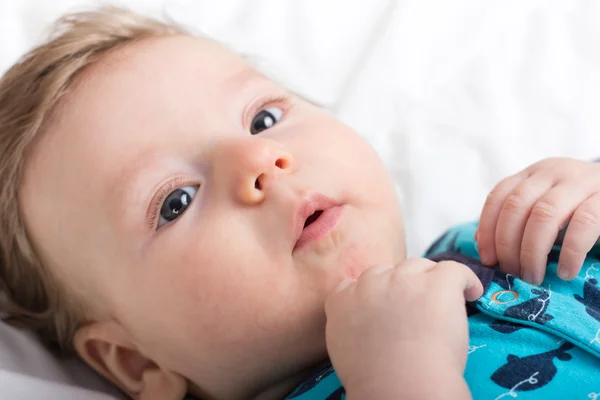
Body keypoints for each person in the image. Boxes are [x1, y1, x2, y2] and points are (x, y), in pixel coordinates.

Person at [1, 6, 599, 400]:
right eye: (175, 201)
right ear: (137, 364)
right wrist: (402, 372)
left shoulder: (502, 236)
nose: (258, 161)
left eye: (263, 119)